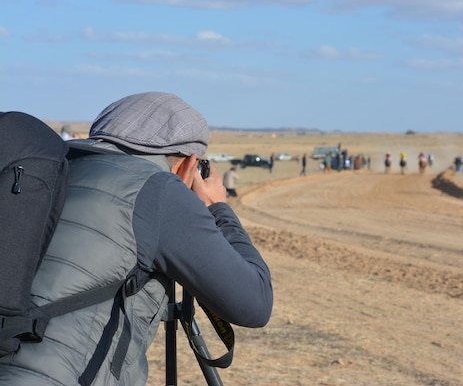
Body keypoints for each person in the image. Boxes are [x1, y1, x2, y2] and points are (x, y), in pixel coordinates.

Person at [0, 92, 273, 385]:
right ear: (189, 163)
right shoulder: (157, 190)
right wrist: (218, 207)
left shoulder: (48, 165)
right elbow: (254, 303)